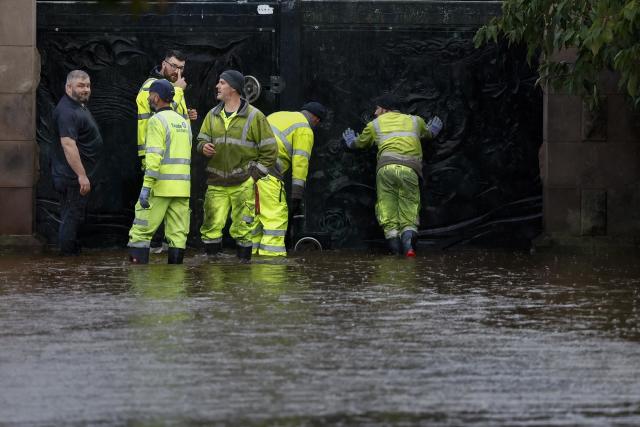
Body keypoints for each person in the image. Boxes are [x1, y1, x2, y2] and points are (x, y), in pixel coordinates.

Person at [342, 94, 442, 257]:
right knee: (409, 206)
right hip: (409, 170)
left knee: (387, 206)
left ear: (384, 108)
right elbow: (428, 134)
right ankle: (408, 246)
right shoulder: (415, 121)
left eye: (377, 108)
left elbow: (359, 143)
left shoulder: (375, 124)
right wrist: (434, 131)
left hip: (386, 169)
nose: (375, 113)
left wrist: (351, 141)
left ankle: (394, 248)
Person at [197, 69, 277, 262]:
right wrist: (202, 147)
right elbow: (201, 139)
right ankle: (212, 270)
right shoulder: (212, 115)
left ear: (233, 88)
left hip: (243, 183)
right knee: (211, 227)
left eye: (222, 83)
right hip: (216, 183)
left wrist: (253, 177)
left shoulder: (255, 116)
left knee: (243, 228)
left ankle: (243, 271)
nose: (217, 86)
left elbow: (270, 151)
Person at [135, 49, 197, 252]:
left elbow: (171, 114)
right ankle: (152, 255)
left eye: (181, 68)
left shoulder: (172, 88)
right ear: (163, 63)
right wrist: (178, 92)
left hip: (173, 164)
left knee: (164, 223)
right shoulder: (150, 86)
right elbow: (158, 108)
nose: (177, 72)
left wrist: (186, 115)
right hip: (154, 157)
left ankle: (162, 266)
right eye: (173, 66)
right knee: (151, 216)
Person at [128, 79, 192, 264]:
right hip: (182, 189)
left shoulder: (156, 121)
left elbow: (154, 158)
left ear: (156, 97)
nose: (148, 98)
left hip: (160, 187)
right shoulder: (183, 121)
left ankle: (139, 282)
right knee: (178, 236)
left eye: (150, 95)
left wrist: (146, 187)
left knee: (140, 232)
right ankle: (175, 284)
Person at [251, 102, 327, 256]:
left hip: (247, 171)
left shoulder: (279, 115)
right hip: (269, 173)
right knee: (275, 220)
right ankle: (272, 266)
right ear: (316, 120)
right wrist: (296, 195)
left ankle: (251, 260)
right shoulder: (304, 128)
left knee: (255, 220)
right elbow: (301, 162)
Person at [51, 70, 103, 255]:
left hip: (77, 177)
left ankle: (73, 255)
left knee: (76, 216)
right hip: (72, 177)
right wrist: (81, 175)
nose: (86, 89)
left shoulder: (77, 106)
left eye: (87, 85)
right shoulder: (66, 111)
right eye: (80, 86)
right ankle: (68, 260)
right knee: (71, 217)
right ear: (68, 87)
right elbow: (68, 145)